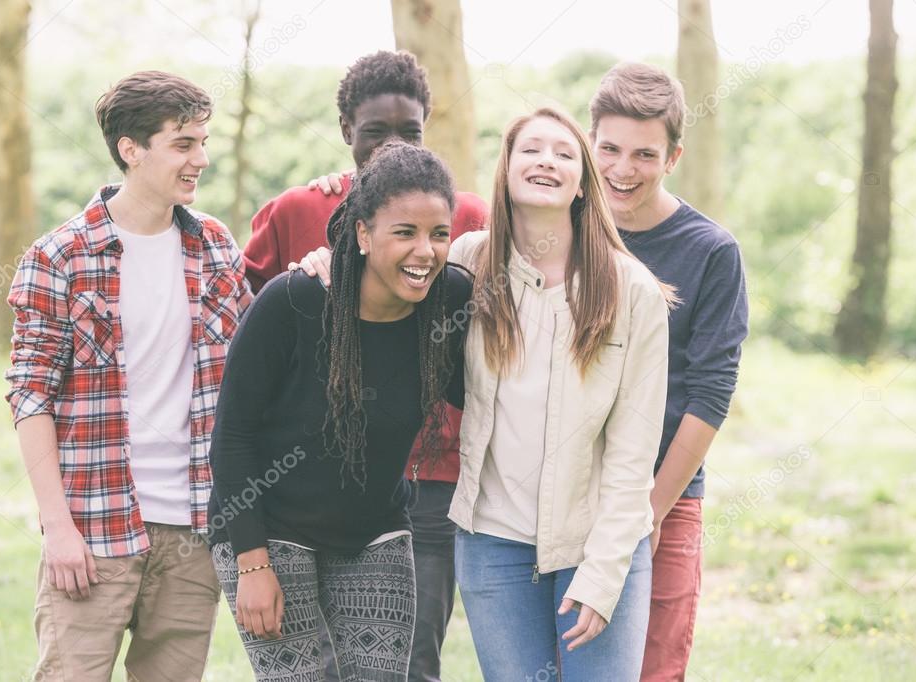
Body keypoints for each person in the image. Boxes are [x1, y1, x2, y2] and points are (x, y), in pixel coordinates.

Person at [297, 107, 671, 681]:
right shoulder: (466, 264)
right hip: (493, 544)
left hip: (596, 543)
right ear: (506, 169)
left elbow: (634, 453)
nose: (546, 160)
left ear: (581, 181)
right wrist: (331, 260)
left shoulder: (630, 291)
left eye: (564, 153)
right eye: (530, 149)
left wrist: (604, 571)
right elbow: (385, 265)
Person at [244, 49, 486, 682]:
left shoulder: (465, 220)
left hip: (419, 477)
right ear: (347, 130)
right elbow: (244, 347)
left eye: (409, 132)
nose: (390, 147)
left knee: (408, 663)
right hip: (299, 488)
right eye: (374, 132)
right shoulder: (297, 215)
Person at [4, 71, 251, 681]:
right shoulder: (60, 255)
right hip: (94, 526)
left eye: (204, 141)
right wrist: (58, 528)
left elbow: (256, 365)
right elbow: (30, 397)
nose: (202, 158)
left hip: (194, 526)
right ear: (131, 149)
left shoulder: (215, 246)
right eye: (184, 144)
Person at [588, 62, 749, 682]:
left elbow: (711, 393)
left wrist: (649, 514)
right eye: (609, 149)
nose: (623, 169)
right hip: (566, 491)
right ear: (590, 143)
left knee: (653, 667)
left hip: (666, 490)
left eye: (644, 154)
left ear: (673, 157)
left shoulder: (711, 251)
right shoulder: (560, 229)